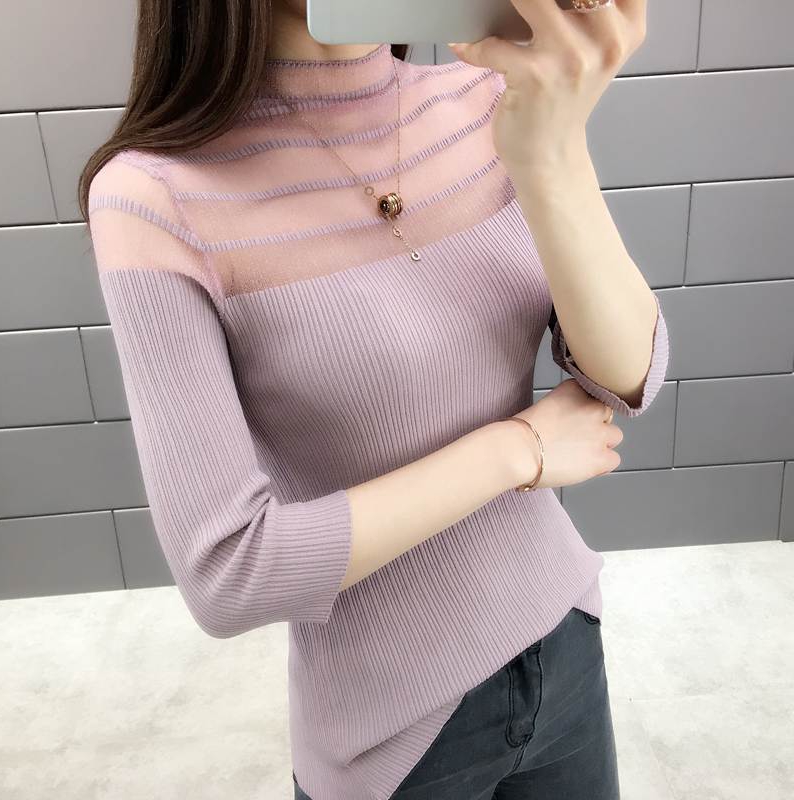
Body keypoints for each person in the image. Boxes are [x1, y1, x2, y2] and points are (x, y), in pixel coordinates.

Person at [79, 1, 666, 798]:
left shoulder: (493, 102)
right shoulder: (155, 196)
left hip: (563, 643)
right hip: (390, 739)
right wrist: (517, 450)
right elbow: (229, 572)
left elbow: (629, 376)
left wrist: (551, 153)